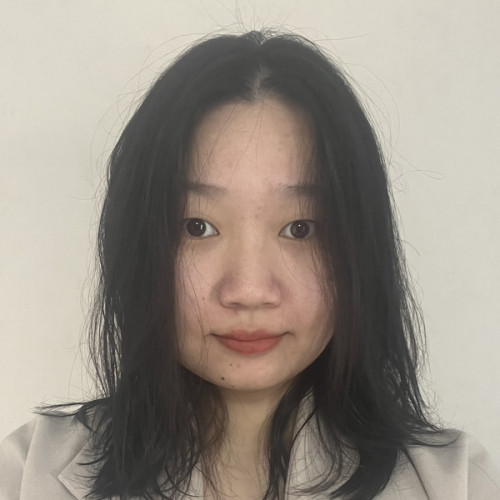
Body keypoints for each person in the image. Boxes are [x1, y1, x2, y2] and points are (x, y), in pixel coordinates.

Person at [0, 30, 499, 500]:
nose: (249, 290)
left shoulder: (458, 484)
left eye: (300, 228)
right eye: (197, 226)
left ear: (359, 247)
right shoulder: (27, 472)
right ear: (139, 245)